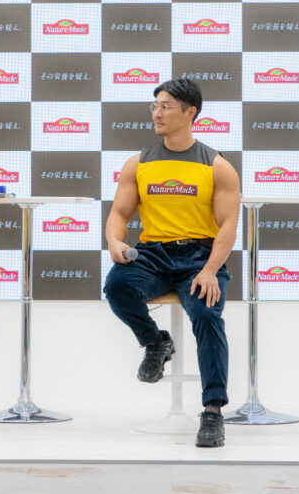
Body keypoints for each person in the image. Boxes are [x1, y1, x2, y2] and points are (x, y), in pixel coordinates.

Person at [103, 78, 241, 448]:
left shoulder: (217, 166)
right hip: (153, 255)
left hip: (200, 257)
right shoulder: (139, 163)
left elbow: (228, 226)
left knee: (207, 316)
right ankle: (155, 342)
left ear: (190, 112)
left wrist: (210, 270)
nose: (157, 113)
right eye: (155, 106)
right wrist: (114, 241)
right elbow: (120, 213)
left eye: (166, 106)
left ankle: (213, 410)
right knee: (117, 286)